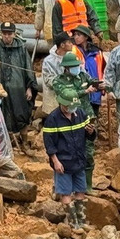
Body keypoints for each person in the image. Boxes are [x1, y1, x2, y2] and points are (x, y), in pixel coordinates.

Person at [43, 89, 95, 231]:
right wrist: (55, 161)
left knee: (81, 191)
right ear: (61, 104)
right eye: (68, 106)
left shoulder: (81, 114)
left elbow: (90, 136)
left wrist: (91, 132)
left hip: (79, 160)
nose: (71, 109)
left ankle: (81, 220)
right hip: (63, 162)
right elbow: (49, 143)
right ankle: (73, 224)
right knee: (65, 193)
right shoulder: (53, 119)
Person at [51, 51, 103, 192]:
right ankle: (59, 187)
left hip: (86, 117)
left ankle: (87, 186)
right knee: (65, 153)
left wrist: (100, 86)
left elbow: (92, 81)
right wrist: (84, 91)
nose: (76, 68)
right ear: (66, 68)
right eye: (73, 66)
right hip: (67, 120)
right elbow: (65, 95)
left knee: (88, 151)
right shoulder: (58, 81)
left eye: (77, 65)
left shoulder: (83, 75)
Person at [0, 22, 38, 141]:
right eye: (4, 33)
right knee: (2, 117)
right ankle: (5, 144)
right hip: (0, 92)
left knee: (22, 116)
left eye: (9, 34)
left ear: (14, 34)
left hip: (19, 91)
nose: (7, 36)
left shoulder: (22, 50)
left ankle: (24, 142)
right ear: (1, 34)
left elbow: (29, 70)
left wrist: (29, 87)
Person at [71, 24, 106, 117]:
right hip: (80, 92)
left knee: (93, 119)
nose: (76, 37)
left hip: (95, 90)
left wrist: (102, 87)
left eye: (79, 35)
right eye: (75, 35)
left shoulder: (97, 53)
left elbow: (102, 70)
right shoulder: (72, 51)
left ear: (86, 37)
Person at [41, 32, 72, 117]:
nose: (71, 44)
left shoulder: (71, 57)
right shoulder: (48, 61)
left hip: (69, 98)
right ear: (62, 45)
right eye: (69, 42)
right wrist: (62, 82)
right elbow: (48, 80)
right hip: (53, 99)